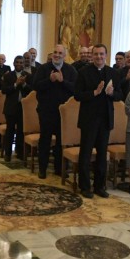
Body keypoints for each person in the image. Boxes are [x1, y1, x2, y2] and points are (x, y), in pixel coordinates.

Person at [74, 44, 122, 198]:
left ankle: (99, 186)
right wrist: (94, 93)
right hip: (89, 118)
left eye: (102, 54)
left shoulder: (113, 73)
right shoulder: (83, 72)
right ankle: (85, 186)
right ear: (92, 55)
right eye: (96, 54)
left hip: (105, 118)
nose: (99, 57)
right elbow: (77, 95)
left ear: (106, 56)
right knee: (86, 153)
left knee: (102, 154)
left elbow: (120, 95)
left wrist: (111, 93)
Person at [33, 44, 77, 179]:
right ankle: (42, 169)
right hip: (46, 111)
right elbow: (35, 86)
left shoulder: (70, 70)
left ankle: (59, 169)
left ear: (64, 56)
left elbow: (76, 89)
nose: (57, 55)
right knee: (45, 140)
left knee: (61, 142)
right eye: (55, 52)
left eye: (60, 53)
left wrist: (63, 81)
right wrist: (49, 80)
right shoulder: (43, 69)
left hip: (64, 114)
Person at [1, 55, 33, 161]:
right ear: (14, 63)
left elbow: (32, 91)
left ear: (24, 64)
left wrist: (23, 85)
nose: (19, 64)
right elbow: (4, 90)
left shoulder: (28, 76)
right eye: (17, 62)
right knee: (10, 131)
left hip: (23, 108)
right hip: (11, 107)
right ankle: (8, 153)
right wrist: (16, 84)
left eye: (21, 62)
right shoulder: (8, 76)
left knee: (20, 131)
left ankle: (20, 152)